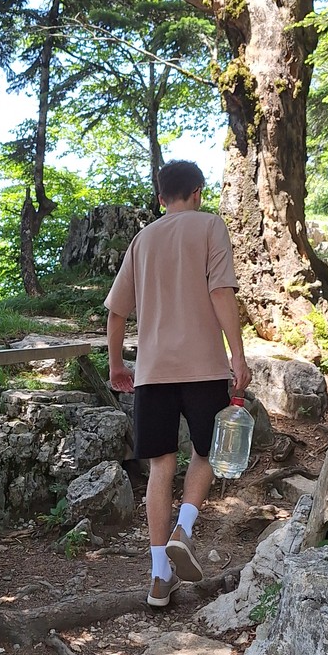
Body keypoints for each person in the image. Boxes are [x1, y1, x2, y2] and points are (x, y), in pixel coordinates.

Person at [105, 161, 251, 608]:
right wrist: (238, 355)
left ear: (161, 197)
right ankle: (184, 528)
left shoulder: (141, 240)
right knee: (206, 452)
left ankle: (157, 578)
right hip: (203, 366)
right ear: (198, 193)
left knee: (159, 468)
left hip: (151, 371)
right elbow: (220, 292)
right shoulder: (210, 227)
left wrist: (116, 366)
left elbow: (116, 312)